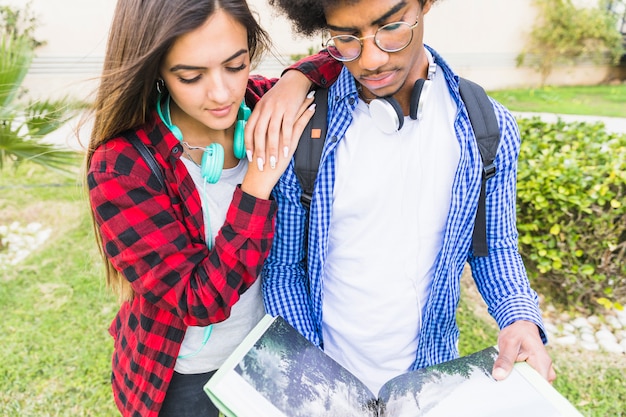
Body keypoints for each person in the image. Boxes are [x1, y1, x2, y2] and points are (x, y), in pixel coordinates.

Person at [258, 0, 557, 395]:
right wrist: (316, 378)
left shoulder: (486, 126)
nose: (372, 60)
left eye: (391, 27)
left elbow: (494, 247)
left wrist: (519, 318)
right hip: (325, 384)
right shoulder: (305, 128)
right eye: (346, 38)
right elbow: (284, 269)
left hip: (429, 383)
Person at [84, 0, 340, 416]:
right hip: (183, 374)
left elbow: (342, 54)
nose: (221, 93)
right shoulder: (122, 166)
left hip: (271, 351)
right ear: (157, 72)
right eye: (191, 76)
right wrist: (256, 184)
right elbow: (199, 301)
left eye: (236, 66)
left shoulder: (261, 106)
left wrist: (293, 80)